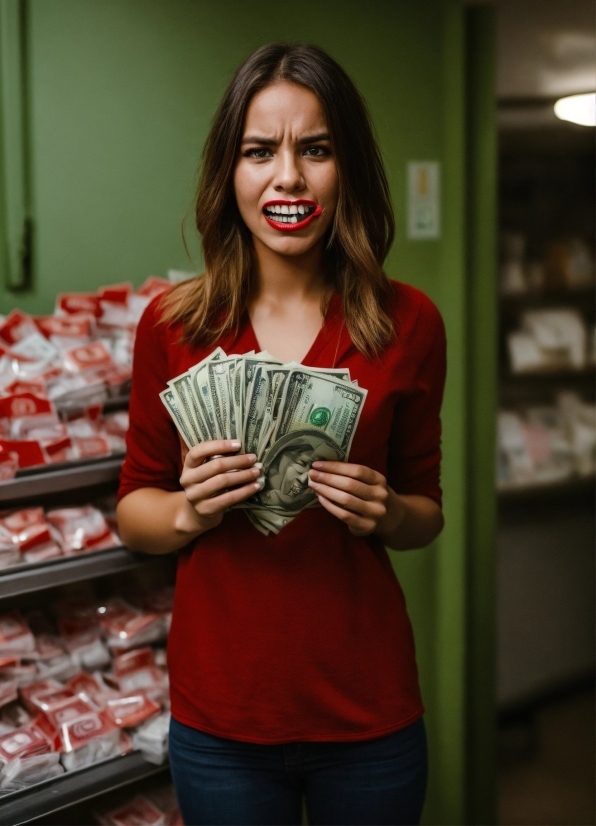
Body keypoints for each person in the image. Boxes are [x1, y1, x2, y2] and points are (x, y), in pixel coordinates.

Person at [117, 42, 446, 826]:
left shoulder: (411, 322)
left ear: (349, 170)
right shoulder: (172, 325)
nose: (288, 177)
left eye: (317, 150)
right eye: (260, 151)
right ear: (230, 175)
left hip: (370, 715)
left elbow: (427, 511)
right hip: (222, 720)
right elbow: (135, 511)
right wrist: (190, 511)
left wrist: (388, 512)